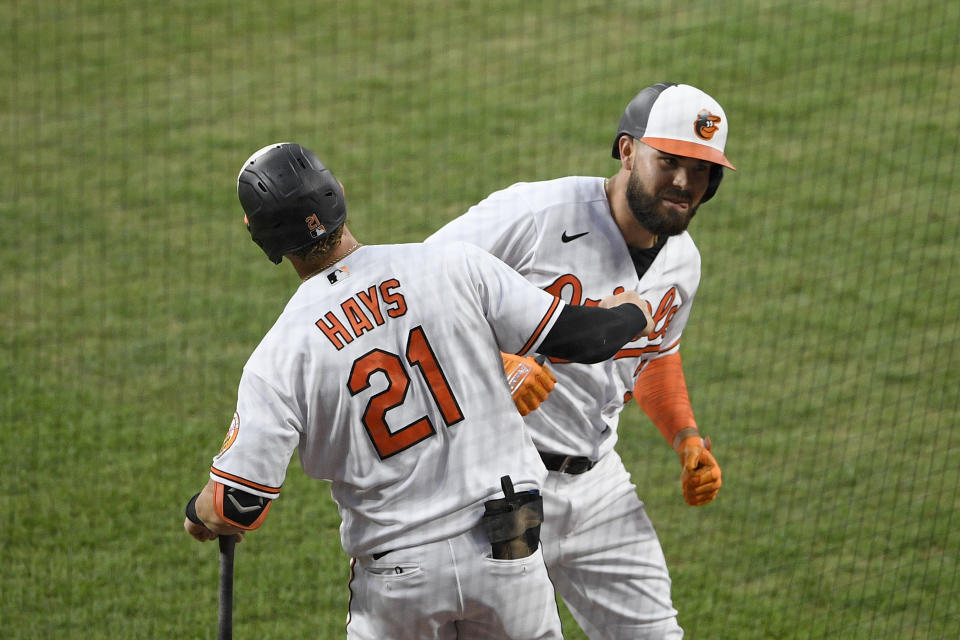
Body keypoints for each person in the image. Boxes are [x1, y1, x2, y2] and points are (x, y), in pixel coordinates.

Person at [182, 142, 657, 640]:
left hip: (398, 584)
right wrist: (632, 312)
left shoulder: (278, 356)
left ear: (256, 234)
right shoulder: (451, 265)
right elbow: (582, 338)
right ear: (339, 194)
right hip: (506, 556)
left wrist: (199, 513)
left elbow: (237, 504)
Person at [426, 82, 730, 639]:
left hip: (598, 485)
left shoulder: (683, 263)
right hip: (490, 487)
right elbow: (411, 296)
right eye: (670, 161)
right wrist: (496, 365)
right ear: (628, 150)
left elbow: (654, 355)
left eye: (702, 170)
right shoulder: (535, 213)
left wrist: (687, 436)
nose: (685, 183)